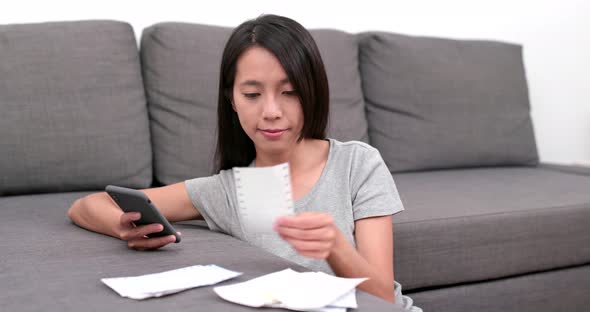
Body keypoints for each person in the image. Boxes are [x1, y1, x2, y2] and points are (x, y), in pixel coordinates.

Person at [68, 14, 419, 310]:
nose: (271, 112)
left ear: (312, 92)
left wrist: (337, 247)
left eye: (290, 92)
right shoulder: (229, 190)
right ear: (232, 100)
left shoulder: (357, 164)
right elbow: (86, 206)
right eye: (252, 94)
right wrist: (123, 225)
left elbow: (383, 298)